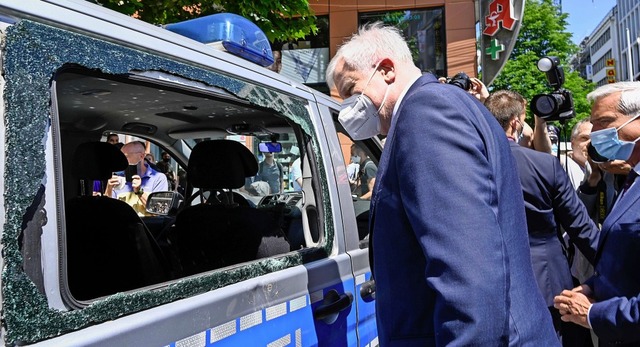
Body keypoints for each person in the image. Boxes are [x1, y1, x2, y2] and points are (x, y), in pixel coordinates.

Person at [326, 22, 559, 345]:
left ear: (387, 70)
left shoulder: (425, 112)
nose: (348, 108)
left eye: (351, 90)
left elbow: (469, 280)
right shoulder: (446, 104)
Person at [485, 90, 599, 346]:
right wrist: (614, 270)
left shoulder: (473, 164)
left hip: (492, 286)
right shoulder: (544, 165)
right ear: (516, 122)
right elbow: (581, 228)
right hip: (551, 287)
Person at [554, 81, 640, 345]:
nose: (596, 134)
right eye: (593, 125)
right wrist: (594, 285)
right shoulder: (631, 178)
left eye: (605, 121)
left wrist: (592, 313)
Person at [105, 141, 168, 216]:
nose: (121, 161)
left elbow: (159, 210)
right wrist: (108, 190)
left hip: (147, 226)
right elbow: (107, 210)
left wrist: (139, 191)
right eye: (120, 157)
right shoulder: (119, 177)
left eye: (125, 157)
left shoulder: (158, 178)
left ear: (141, 156)